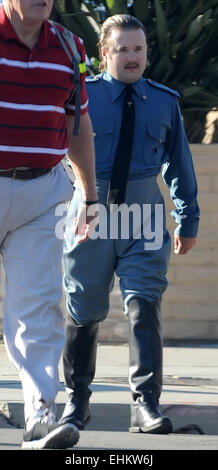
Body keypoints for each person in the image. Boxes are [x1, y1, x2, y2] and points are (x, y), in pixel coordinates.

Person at [60, 14, 200, 435]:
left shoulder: (164, 101)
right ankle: (77, 401)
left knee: (144, 302)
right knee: (83, 307)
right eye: (122, 49)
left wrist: (186, 218)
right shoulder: (82, 96)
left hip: (144, 212)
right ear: (104, 54)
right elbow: (55, 148)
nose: (132, 56)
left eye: (138, 48)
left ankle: (146, 404)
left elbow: (179, 164)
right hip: (91, 208)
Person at [0, 0, 98, 449]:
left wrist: (89, 195)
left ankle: (40, 417)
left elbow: (77, 126)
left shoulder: (69, 45)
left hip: (44, 193)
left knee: (39, 306)